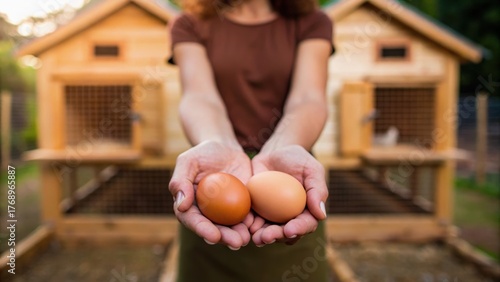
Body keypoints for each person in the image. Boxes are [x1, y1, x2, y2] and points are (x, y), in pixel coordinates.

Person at [168, 0, 334, 281]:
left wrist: (283, 146)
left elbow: (308, 98)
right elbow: (199, 96)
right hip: (217, 176)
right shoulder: (189, 24)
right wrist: (217, 141)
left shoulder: (312, 22)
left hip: (288, 170)